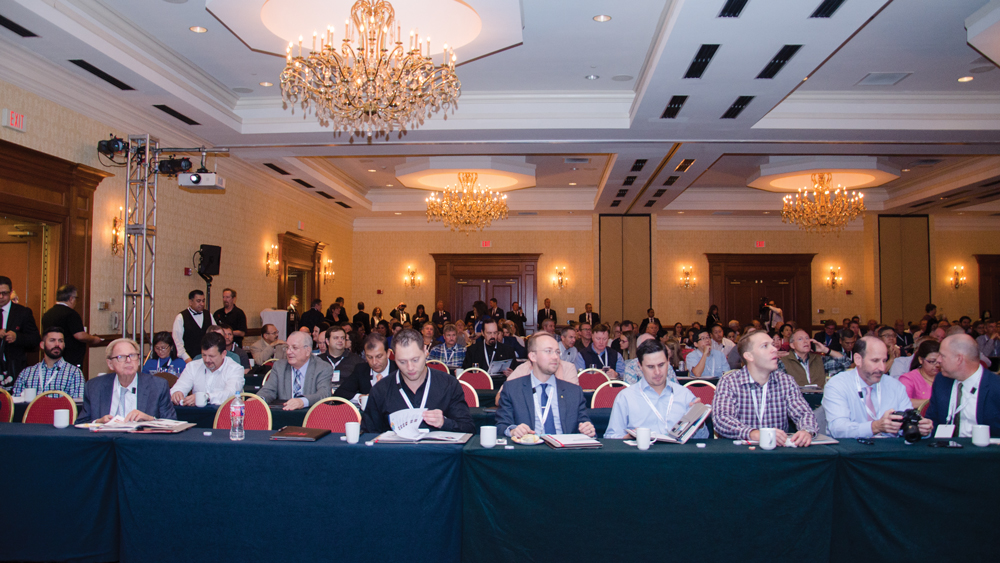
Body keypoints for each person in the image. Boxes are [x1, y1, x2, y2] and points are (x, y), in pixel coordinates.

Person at [361, 328, 474, 434]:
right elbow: (368, 435)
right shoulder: (380, 390)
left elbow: (468, 429)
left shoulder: (449, 384)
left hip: (438, 453)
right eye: (402, 362)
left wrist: (444, 423)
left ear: (425, 352)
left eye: (415, 360)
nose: (410, 368)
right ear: (394, 358)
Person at [713, 331, 817, 446]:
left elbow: (804, 413)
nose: (774, 349)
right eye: (765, 346)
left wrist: (806, 431)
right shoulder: (730, 382)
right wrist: (754, 434)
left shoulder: (786, 381)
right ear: (749, 356)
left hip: (777, 453)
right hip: (740, 454)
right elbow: (722, 419)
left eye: (772, 344)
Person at [822, 337, 933, 439]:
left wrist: (920, 429)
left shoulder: (895, 386)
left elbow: (905, 428)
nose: (882, 368)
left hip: (890, 453)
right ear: (858, 359)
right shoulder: (838, 385)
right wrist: (875, 427)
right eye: (875, 361)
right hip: (851, 454)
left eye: (884, 361)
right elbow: (838, 429)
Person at [496, 332, 595, 438]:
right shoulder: (513, 389)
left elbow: (584, 425)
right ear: (533, 356)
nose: (555, 357)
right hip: (528, 450)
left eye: (557, 352)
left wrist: (587, 430)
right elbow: (502, 426)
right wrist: (513, 431)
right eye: (548, 351)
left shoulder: (574, 392)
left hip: (564, 452)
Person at [605, 339, 707, 439]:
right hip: (641, 453)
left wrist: (699, 424)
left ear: (668, 362)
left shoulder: (684, 395)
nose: (657, 372)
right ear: (640, 366)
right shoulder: (626, 397)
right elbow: (611, 438)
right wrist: (626, 438)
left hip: (677, 454)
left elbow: (703, 438)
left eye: (661, 365)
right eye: (650, 367)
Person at [77, 338, 176, 423]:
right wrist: (97, 422)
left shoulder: (158, 386)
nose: (128, 361)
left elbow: (172, 423)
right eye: (121, 357)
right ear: (110, 364)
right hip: (107, 442)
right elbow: (80, 424)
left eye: (132, 356)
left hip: (142, 443)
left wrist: (150, 420)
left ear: (138, 360)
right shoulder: (94, 387)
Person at [926, 334, 1000, 437]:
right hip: (944, 450)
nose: (938, 360)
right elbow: (932, 420)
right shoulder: (941, 381)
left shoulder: (996, 387)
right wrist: (926, 429)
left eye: (942, 355)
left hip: (985, 451)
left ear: (959, 359)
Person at [257, 331, 332, 411]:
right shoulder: (280, 367)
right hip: (284, 415)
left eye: (294, 348)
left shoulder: (322, 367)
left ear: (307, 351)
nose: (288, 352)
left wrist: (302, 401)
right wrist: (258, 400)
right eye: (287, 348)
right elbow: (268, 391)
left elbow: (324, 394)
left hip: (312, 416)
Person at [170, 332, 244, 406]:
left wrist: (205, 397)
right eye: (204, 355)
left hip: (224, 414)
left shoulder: (235, 369)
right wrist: (177, 393)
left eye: (211, 356)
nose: (207, 360)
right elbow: (177, 388)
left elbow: (231, 395)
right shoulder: (193, 366)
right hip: (196, 415)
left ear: (223, 354)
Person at [12, 326, 85, 399]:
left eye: (60, 341)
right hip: (33, 410)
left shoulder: (74, 373)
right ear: (42, 345)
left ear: (64, 345)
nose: (57, 344)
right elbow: (16, 403)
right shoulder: (26, 373)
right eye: (52, 340)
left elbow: (77, 406)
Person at [41, 284, 102, 367]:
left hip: (52, 355)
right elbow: (79, 335)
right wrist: (94, 339)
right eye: (75, 298)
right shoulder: (71, 314)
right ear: (71, 299)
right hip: (70, 357)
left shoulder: (47, 314)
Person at [0, 275, 41, 388]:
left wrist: (17, 337)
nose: (1, 297)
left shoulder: (23, 313)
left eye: (4, 293)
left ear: (11, 292)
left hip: (15, 368)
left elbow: (35, 339)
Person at [335, 333, 397, 404]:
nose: (374, 362)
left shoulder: (399, 370)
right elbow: (339, 394)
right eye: (369, 357)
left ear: (388, 353)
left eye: (379, 356)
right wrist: (361, 398)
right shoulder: (361, 370)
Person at [780, 329, 849, 388]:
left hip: (819, 400)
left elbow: (845, 363)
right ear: (792, 345)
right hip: (796, 400)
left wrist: (825, 350)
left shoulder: (819, 359)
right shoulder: (783, 362)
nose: (805, 341)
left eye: (807, 338)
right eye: (800, 339)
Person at [172, 289, 215, 362]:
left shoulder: (209, 315)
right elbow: (178, 342)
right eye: (198, 301)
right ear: (190, 302)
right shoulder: (181, 317)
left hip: (207, 359)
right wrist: (187, 359)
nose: (202, 304)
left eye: (203, 301)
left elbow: (215, 336)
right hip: (188, 359)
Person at [898, 340, 941, 408]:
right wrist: (932, 402)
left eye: (939, 362)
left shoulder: (945, 377)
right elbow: (902, 402)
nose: (937, 365)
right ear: (921, 360)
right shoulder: (908, 378)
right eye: (932, 361)